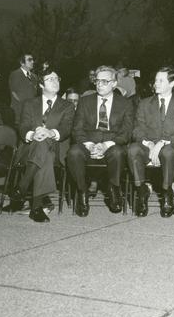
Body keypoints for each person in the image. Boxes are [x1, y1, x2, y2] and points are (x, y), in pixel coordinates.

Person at [67, 65, 134, 217]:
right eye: (97, 81)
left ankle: (113, 188)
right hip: (88, 142)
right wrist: (89, 145)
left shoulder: (125, 103)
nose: (99, 85)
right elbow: (77, 129)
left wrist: (105, 145)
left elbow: (126, 132)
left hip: (112, 143)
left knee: (117, 153)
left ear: (114, 83)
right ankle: (82, 191)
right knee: (73, 152)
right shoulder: (85, 101)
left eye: (104, 81)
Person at [11, 70, 75, 222]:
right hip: (30, 149)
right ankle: (36, 207)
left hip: (57, 148)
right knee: (42, 149)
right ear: (41, 84)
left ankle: (22, 186)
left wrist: (50, 132)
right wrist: (32, 134)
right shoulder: (29, 104)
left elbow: (66, 128)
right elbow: (23, 126)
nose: (55, 81)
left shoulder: (67, 105)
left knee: (43, 148)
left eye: (56, 78)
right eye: (50, 79)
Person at [127, 67, 174, 217]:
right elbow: (137, 129)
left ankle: (167, 192)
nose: (156, 83)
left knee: (168, 152)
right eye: (156, 80)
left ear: (172, 83)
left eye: (160, 80)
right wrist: (148, 144)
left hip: (172, 148)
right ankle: (142, 191)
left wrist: (162, 143)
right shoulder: (144, 103)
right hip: (148, 146)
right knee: (133, 150)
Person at [8, 53, 38, 125]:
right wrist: (25, 106)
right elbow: (14, 92)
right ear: (22, 63)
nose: (32, 62)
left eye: (33, 60)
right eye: (29, 60)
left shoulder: (34, 76)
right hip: (19, 111)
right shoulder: (15, 74)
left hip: (32, 113)